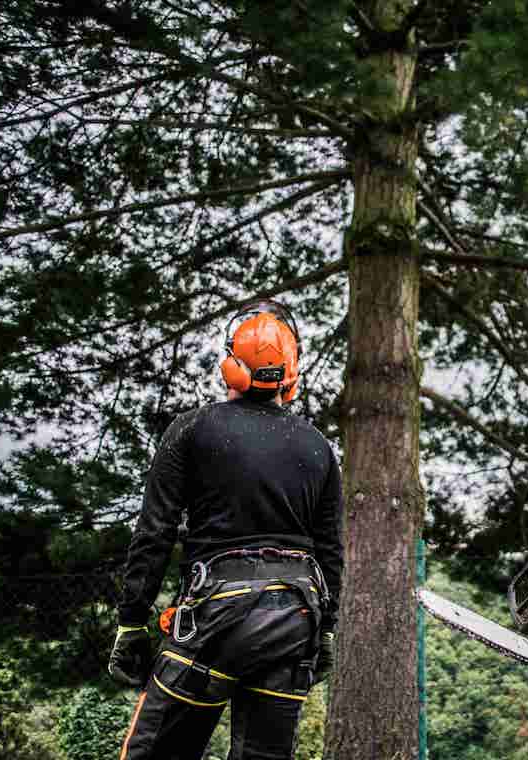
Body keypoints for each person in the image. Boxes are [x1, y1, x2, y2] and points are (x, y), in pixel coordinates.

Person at [109, 300, 344, 760]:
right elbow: (330, 550)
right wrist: (327, 631)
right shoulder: (318, 447)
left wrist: (132, 621)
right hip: (294, 624)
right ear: (290, 374)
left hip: (213, 620)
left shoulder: (192, 430)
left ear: (230, 367)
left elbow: (154, 532)